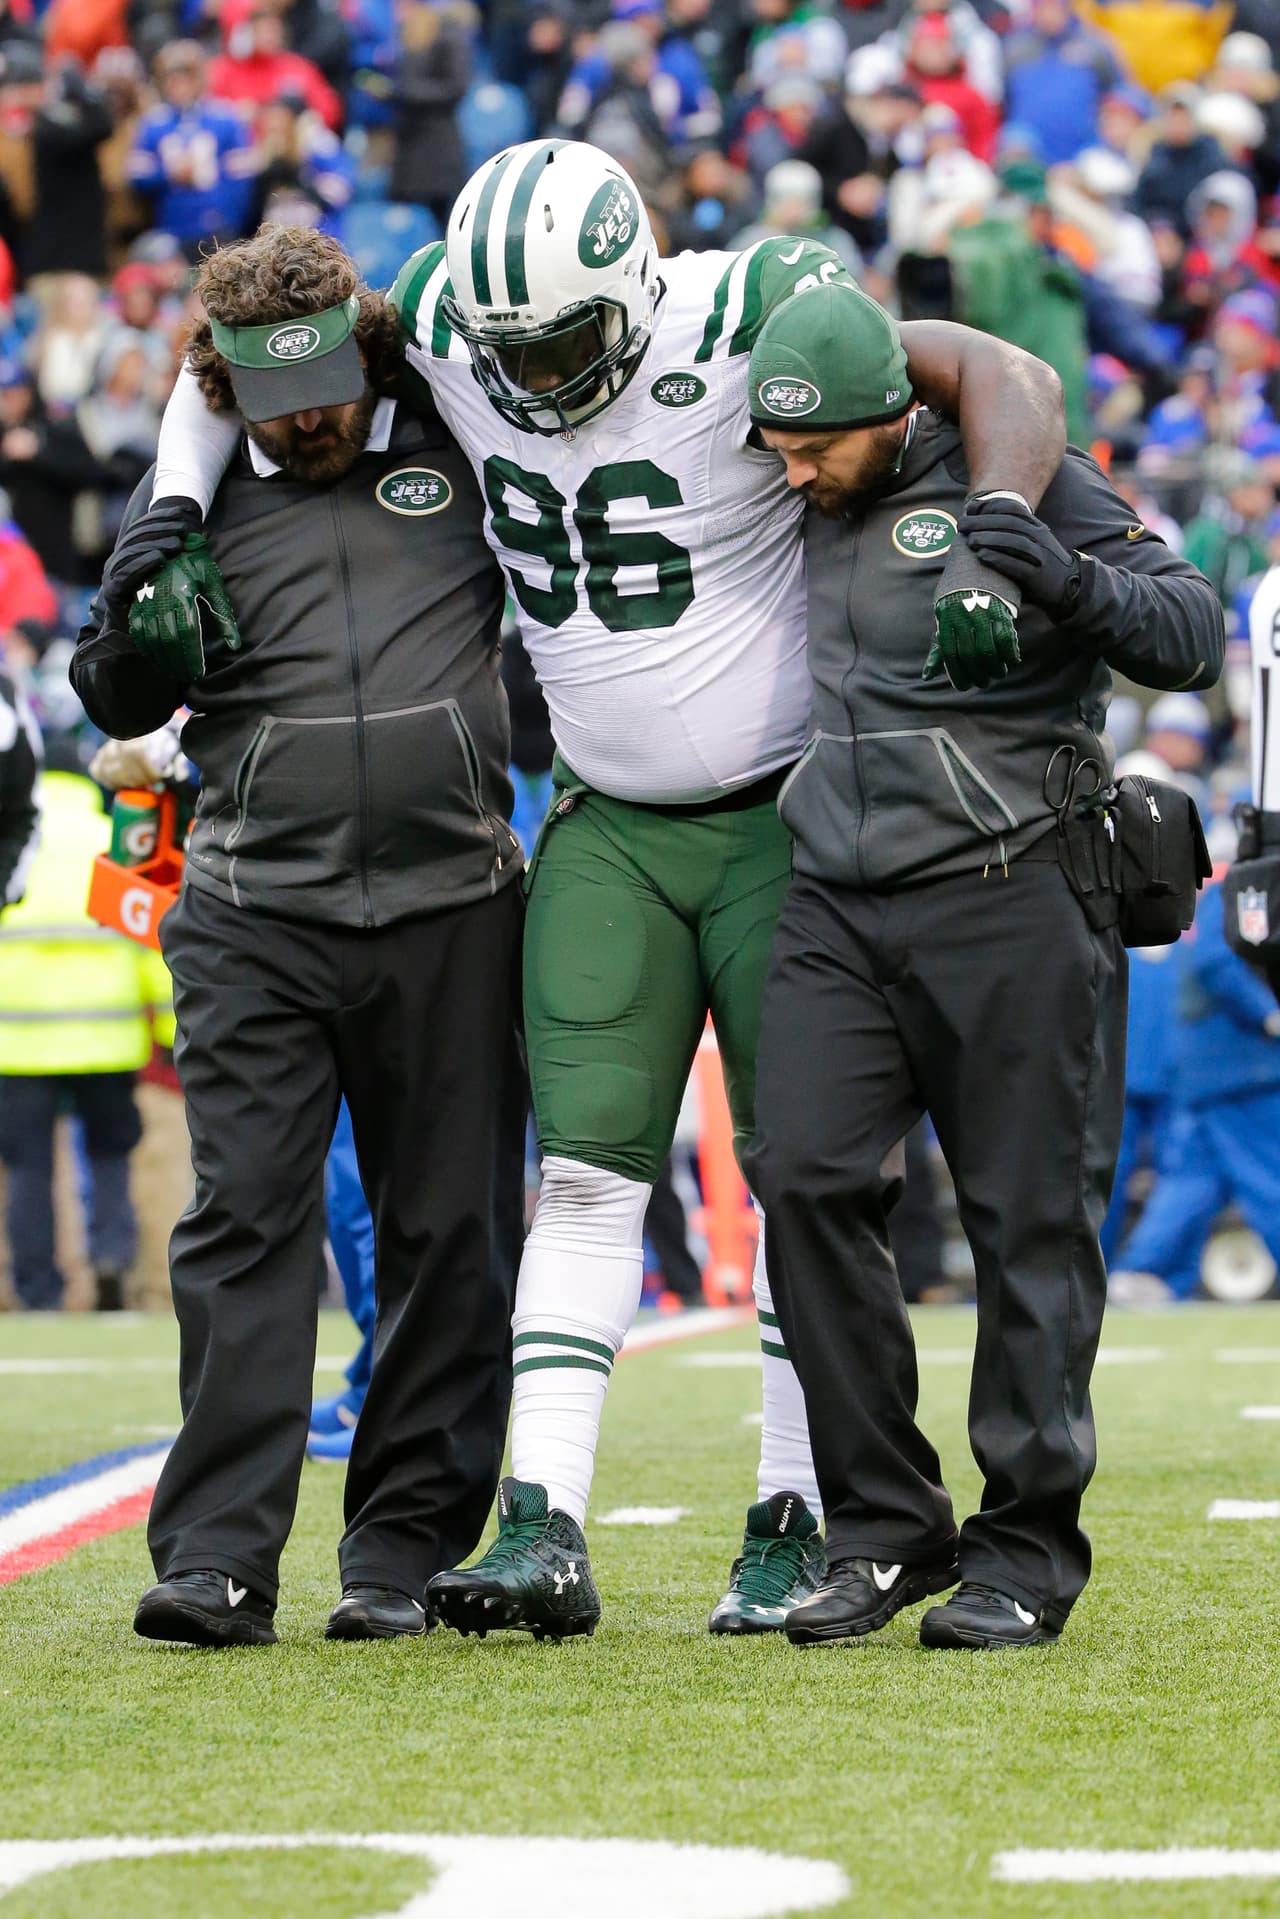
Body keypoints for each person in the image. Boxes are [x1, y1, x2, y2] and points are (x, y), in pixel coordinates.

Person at [141, 141, 1068, 1642]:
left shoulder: (749, 305)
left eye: (559, 342)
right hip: (602, 820)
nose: (528, 377)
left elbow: (998, 369)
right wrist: (170, 511)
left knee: (799, 1178)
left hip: (780, 816)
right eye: (502, 349)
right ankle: (540, 1517)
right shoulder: (443, 314)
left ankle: (794, 1510)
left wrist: (1002, 532)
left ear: (633, 293)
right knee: (579, 1173)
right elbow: (228, 364)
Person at [742, 280, 1223, 1651]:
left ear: (892, 415)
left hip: (1013, 885)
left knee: (1029, 1224)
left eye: (818, 447)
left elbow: (1189, 634)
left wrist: (1049, 573)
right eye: (780, 447)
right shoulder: (800, 470)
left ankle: (1025, 1548)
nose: (793, 472)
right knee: (804, 1179)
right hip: (835, 896)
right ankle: (885, 1524)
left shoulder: (1032, 474)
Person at [71, 225, 526, 1648]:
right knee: (245, 1222)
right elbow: (111, 697)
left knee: (450, 1233)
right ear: (226, 390)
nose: (307, 421)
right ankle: (216, 1556)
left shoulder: (455, 445)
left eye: (324, 389)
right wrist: (135, 612)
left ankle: (399, 1549)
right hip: (253, 908)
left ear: (363, 355)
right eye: (273, 404)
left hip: (453, 903)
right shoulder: (191, 489)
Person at [0, 736, 160, 1314]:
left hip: (18, 1042)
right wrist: (170, 1028)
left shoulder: (14, 843)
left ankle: (37, 1289)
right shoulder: (111, 841)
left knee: (28, 1169)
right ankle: (111, 1261)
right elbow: (149, 938)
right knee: (110, 1157)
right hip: (108, 1039)